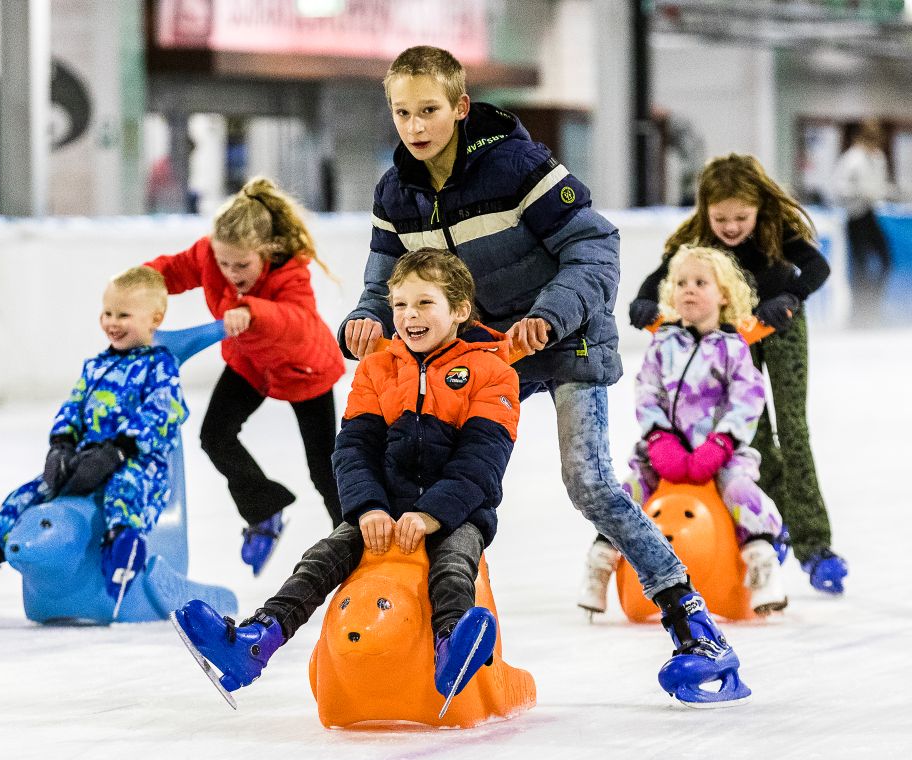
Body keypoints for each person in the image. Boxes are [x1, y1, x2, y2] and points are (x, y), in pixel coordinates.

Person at [338, 46, 748, 705]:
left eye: (429, 111)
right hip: (478, 351)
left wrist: (548, 316)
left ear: (460, 108)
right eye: (401, 112)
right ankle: (439, 631)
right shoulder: (397, 193)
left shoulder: (514, 165)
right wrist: (363, 321)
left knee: (587, 483)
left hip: (565, 338)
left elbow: (594, 246)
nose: (414, 127)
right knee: (433, 476)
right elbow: (382, 284)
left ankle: (690, 623)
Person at [176, 249, 518, 701]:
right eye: (399, 305)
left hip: (458, 515)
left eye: (424, 303)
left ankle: (451, 646)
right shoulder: (377, 368)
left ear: (459, 310)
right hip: (384, 508)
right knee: (320, 559)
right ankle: (255, 642)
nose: (409, 316)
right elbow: (353, 450)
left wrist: (433, 514)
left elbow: (482, 463)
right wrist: (368, 508)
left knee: (453, 565)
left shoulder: (492, 373)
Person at [0, 268, 187, 616]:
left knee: (123, 490)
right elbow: (73, 407)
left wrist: (119, 450)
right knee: (26, 496)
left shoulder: (160, 366)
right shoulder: (96, 366)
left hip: (137, 464)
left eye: (123, 315)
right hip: (85, 461)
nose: (112, 322)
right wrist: (62, 445)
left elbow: (165, 410)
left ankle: (121, 552)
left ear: (155, 319)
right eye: (107, 313)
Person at [625, 153, 848, 595]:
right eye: (720, 217)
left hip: (780, 330)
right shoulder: (696, 239)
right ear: (705, 210)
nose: (730, 227)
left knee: (793, 430)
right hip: (732, 340)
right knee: (755, 439)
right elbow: (658, 280)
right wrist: (643, 303)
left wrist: (788, 298)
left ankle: (816, 546)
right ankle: (775, 526)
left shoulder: (775, 230)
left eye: (741, 217)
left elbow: (818, 268)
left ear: (759, 209)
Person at [141, 177, 345, 576]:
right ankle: (264, 508)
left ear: (266, 253)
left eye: (242, 265)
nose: (230, 273)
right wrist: (133, 288)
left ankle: (355, 542)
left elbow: (298, 322)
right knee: (214, 436)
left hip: (303, 367)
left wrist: (253, 311)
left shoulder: (290, 272)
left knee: (324, 469)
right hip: (249, 363)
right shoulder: (209, 255)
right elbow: (170, 271)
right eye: (223, 263)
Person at [580, 246, 787, 617]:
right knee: (626, 492)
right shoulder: (663, 344)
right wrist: (659, 437)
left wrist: (722, 442)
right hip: (664, 453)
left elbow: (748, 397)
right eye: (680, 283)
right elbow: (647, 390)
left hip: (720, 453)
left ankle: (762, 567)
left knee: (742, 492)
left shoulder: (732, 348)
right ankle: (599, 565)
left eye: (700, 282)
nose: (688, 289)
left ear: (723, 294)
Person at [831, 120, 893, 326]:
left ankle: (872, 306)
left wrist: (885, 192)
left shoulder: (877, 158)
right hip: (855, 215)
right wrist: (860, 192)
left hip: (870, 213)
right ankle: (859, 312)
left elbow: (880, 186)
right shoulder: (851, 159)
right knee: (860, 266)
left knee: (885, 259)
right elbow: (838, 189)